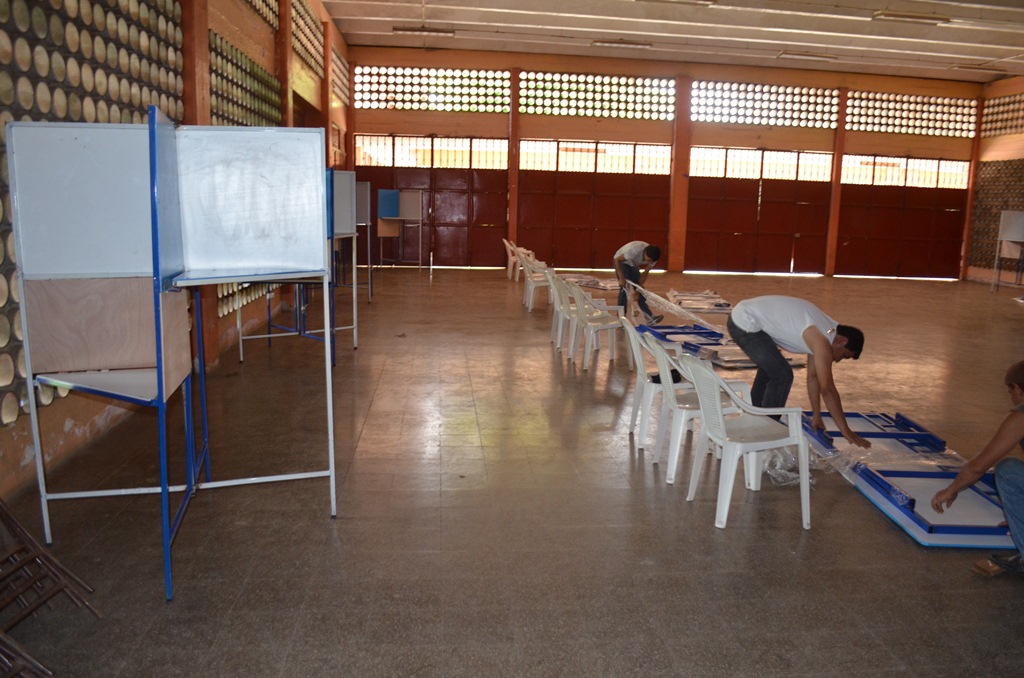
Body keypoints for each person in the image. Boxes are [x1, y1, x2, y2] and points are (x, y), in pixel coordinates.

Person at [727, 295, 870, 448]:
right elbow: (827, 389)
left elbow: (813, 378)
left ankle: (756, 419)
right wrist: (845, 430)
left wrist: (817, 415)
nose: (838, 360)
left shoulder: (826, 331)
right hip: (745, 322)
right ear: (841, 341)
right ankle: (765, 432)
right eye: (843, 355)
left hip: (744, 315)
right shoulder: (822, 340)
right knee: (782, 375)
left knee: (771, 369)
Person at [931, 360, 1024, 575]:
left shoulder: (1021, 416)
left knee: (1008, 470)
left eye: (1010, 390)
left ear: (1018, 389)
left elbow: (980, 465)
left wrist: (951, 489)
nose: (1010, 396)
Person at [614, 241, 663, 325]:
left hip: (633, 265)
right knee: (624, 289)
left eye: (651, 261)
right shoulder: (634, 250)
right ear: (645, 253)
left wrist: (637, 291)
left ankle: (649, 317)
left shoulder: (653, 259)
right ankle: (621, 317)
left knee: (641, 290)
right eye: (648, 260)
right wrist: (621, 278)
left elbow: (644, 274)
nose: (650, 262)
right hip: (622, 262)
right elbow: (617, 260)